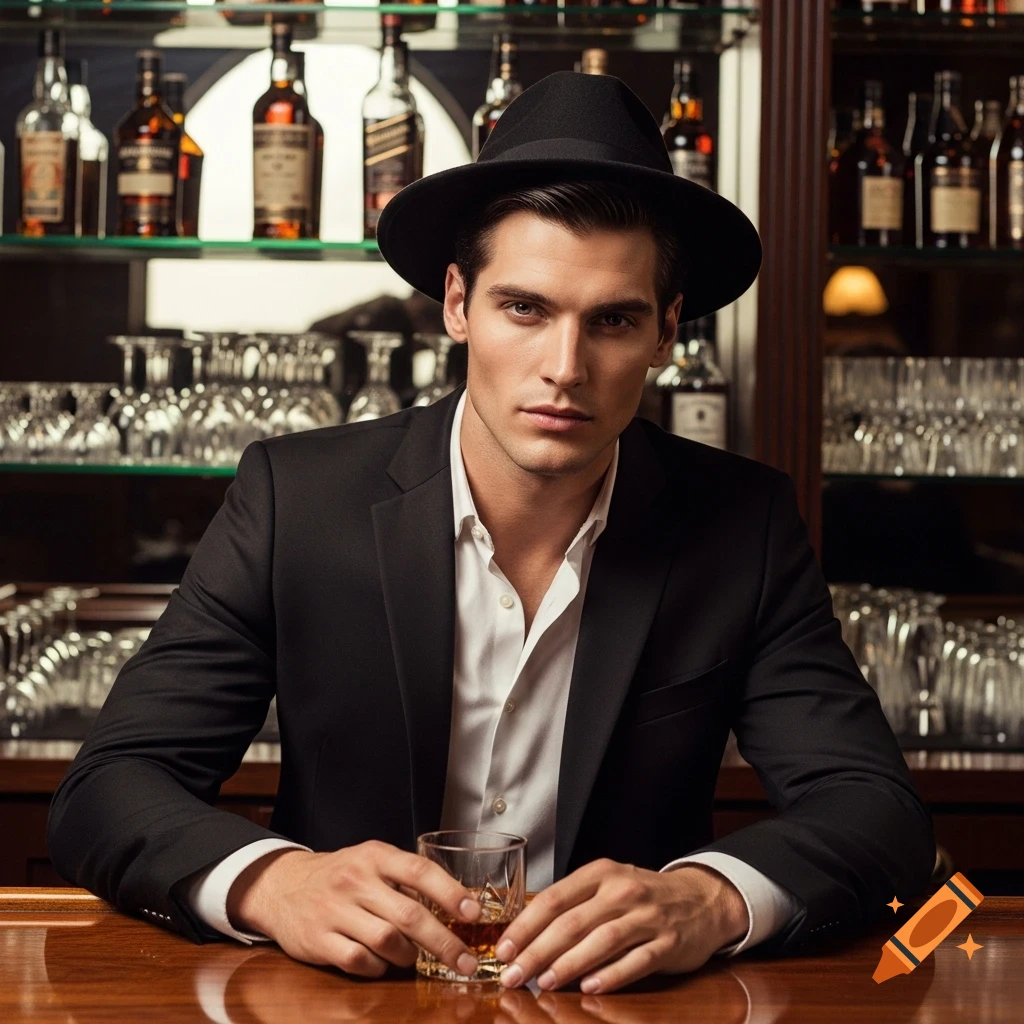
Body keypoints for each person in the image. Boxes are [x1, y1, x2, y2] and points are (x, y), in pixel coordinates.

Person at [47, 70, 935, 996]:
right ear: (458, 304)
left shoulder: (740, 523)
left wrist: (709, 898)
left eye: (615, 321)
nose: (566, 368)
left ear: (669, 331)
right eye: (526, 308)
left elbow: (877, 813)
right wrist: (276, 880)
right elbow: (108, 789)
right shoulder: (297, 499)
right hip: (348, 1002)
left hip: (614, 1012)